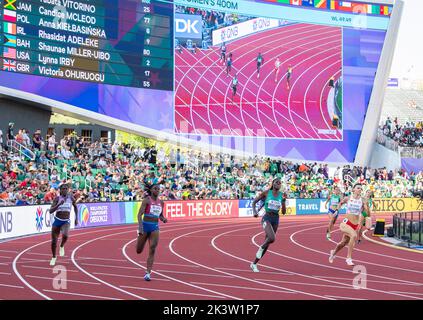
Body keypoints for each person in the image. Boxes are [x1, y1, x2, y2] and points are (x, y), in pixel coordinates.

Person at [250, 178, 286, 272]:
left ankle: (254, 264)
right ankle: (261, 247)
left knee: (268, 242)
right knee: (272, 238)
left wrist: (284, 202)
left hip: (276, 219)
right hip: (267, 218)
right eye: (276, 182)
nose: (278, 184)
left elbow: (284, 212)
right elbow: (254, 202)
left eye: (279, 183)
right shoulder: (266, 193)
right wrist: (254, 211)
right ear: (273, 184)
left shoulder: (282, 195)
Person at [329, 183, 368, 266]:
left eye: (361, 188)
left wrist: (364, 215)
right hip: (346, 223)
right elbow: (340, 203)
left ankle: (333, 253)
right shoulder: (348, 198)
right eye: (358, 188)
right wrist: (336, 210)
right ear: (353, 189)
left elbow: (366, 211)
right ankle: (348, 258)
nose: (359, 189)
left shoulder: (363, 200)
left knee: (343, 243)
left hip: (355, 224)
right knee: (354, 236)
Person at [136, 183, 168, 281]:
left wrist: (163, 219)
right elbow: (139, 215)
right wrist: (140, 228)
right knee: (139, 250)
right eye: (155, 189)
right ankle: (139, 238)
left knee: (152, 248)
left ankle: (148, 273)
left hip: (155, 227)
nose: (157, 190)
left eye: (158, 189)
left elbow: (160, 215)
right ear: (151, 190)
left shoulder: (161, 203)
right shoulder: (147, 200)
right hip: (145, 226)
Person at [49, 183, 78, 266]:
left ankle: (62, 246)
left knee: (65, 235)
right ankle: (54, 257)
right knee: (54, 241)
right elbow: (51, 211)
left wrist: (76, 218)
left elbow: (75, 207)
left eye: (66, 189)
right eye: (63, 189)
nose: (65, 190)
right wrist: (58, 204)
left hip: (66, 221)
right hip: (57, 220)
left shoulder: (71, 198)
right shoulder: (57, 198)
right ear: (60, 190)